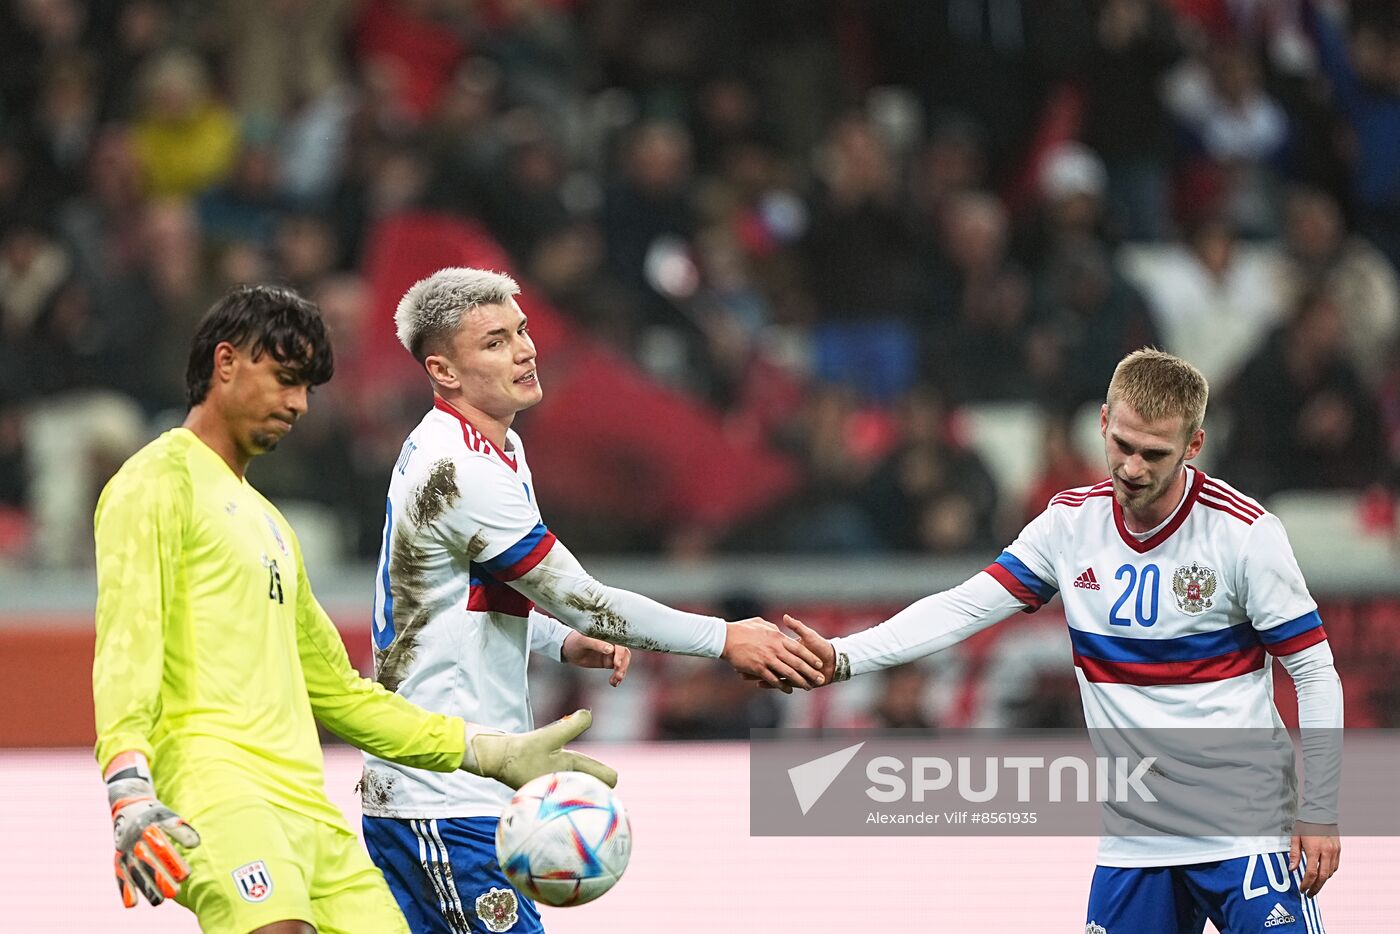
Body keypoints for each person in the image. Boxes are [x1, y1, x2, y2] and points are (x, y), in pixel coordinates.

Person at [93, 284, 617, 934]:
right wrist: (126, 783)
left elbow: (340, 693)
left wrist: (485, 751)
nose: (298, 405)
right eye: (285, 380)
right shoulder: (155, 480)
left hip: (307, 807)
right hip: (215, 784)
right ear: (225, 363)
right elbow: (127, 640)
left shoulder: (271, 525)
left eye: (308, 389)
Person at [784, 349, 1343, 934]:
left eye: (1154, 454)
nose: (1132, 468)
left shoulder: (1244, 534)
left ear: (1194, 446)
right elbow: (961, 607)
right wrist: (845, 656)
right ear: (1103, 421)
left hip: (1246, 830)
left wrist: (1321, 811)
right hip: (1136, 843)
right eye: (1122, 445)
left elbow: (1314, 672)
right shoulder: (1069, 526)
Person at [361, 267, 825, 934]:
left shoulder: (494, 446)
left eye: (522, 332)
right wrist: (726, 639)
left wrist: (554, 638)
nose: (524, 350)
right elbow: (587, 599)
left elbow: (462, 588)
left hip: (455, 790)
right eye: (494, 342)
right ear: (445, 372)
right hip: (440, 799)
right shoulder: (460, 471)